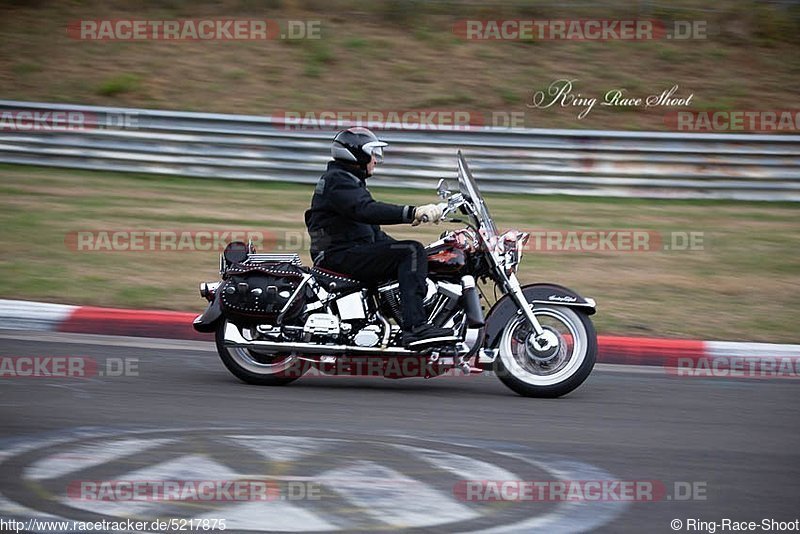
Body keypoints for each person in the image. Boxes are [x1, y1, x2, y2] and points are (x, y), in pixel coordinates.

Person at [304, 127, 457, 348]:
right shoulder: (338, 181)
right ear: (357, 155)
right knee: (411, 251)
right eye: (372, 154)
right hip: (339, 255)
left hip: (347, 251)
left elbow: (372, 232)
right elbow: (366, 210)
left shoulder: (347, 180)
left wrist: (417, 254)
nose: (376, 160)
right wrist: (412, 212)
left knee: (414, 252)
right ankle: (416, 328)